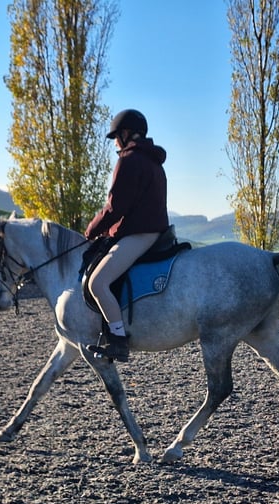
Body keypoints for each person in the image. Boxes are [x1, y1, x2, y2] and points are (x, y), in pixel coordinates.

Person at [84, 109, 169, 362]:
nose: (115, 143)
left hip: (139, 233)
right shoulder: (152, 160)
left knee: (96, 283)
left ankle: (118, 340)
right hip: (154, 230)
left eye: (115, 137)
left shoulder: (129, 160)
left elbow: (115, 207)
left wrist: (92, 230)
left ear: (125, 134)